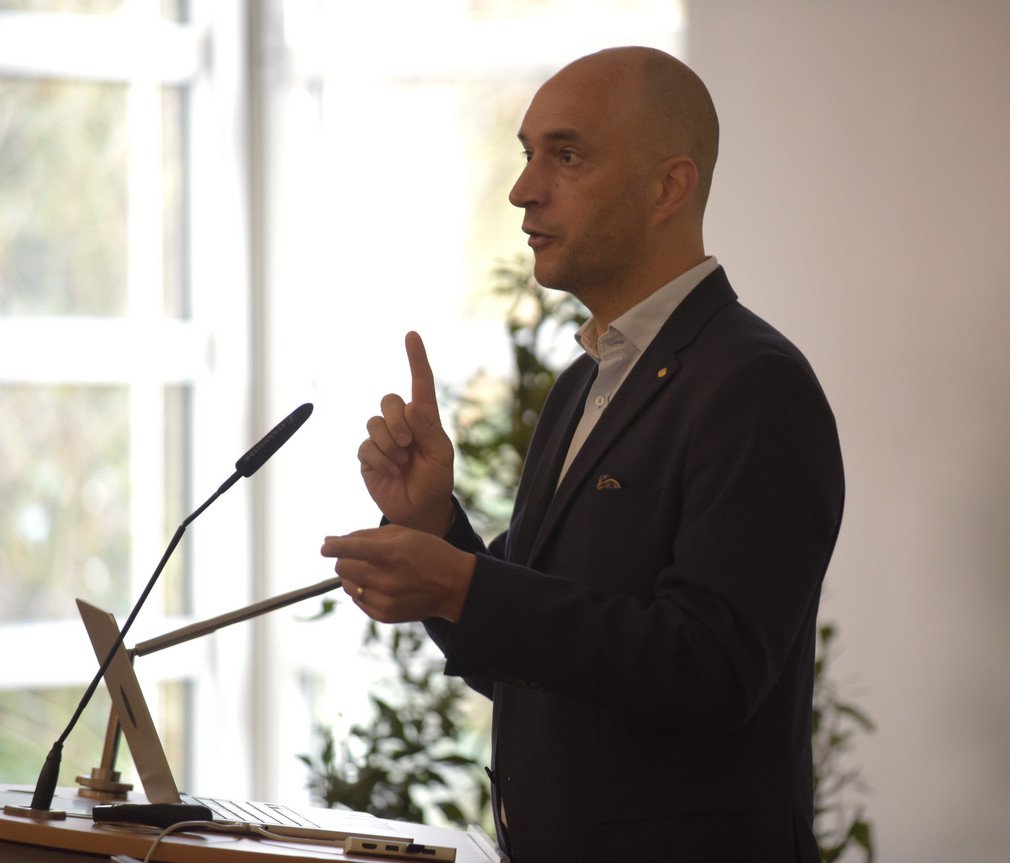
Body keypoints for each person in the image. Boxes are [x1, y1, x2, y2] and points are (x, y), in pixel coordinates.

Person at [321, 46, 845, 863]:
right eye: (528, 153)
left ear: (668, 187)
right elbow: (530, 661)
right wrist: (435, 529)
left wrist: (463, 584)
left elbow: (714, 669)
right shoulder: (583, 384)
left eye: (565, 156)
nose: (523, 189)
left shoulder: (754, 384)